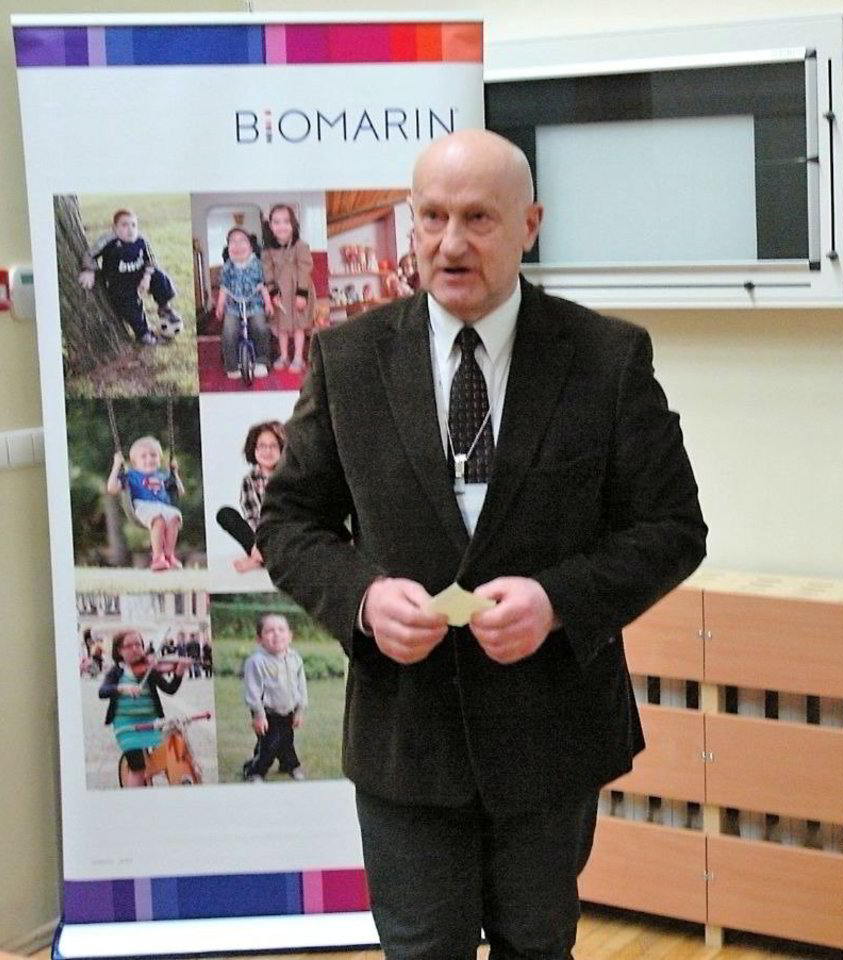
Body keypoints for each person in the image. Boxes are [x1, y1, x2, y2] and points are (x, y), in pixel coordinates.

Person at [257, 129, 706, 960]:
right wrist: (362, 598)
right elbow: (288, 522)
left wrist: (558, 601)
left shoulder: (607, 359)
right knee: (421, 948)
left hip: (549, 734)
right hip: (406, 737)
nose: (451, 242)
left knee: (537, 945)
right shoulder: (348, 360)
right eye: (432, 217)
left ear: (531, 224)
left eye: (478, 218)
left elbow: (673, 527)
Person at [78, 208, 184, 346]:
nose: (130, 229)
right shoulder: (108, 241)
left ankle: (164, 307)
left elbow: (150, 260)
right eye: (124, 225)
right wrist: (89, 270)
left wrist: (147, 277)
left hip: (139, 276)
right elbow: (89, 255)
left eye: (133, 225)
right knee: (132, 308)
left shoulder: (141, 240)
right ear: (115, 228)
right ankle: (143, 334)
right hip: (120, 284)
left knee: (159, 276)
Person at [98, 629, 185, 787]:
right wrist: (123, 688)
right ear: (119, 650)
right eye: (129, 646)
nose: (135, 649)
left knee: (170, 755)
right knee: (137, 767)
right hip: (126, 726)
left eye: (138, 645)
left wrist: (179, 673)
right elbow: (102, 691)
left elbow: (170, 689)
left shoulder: (149, 669)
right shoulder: (116, 672)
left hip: (152, 722)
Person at [240, 612, 308, 782]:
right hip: (267, 712)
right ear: (259, 639)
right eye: (269, 631)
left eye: (281, 630)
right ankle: (255, 771)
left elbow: (301, 686)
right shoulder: (256, 661)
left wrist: (300, 710)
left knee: (286, 740)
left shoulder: (295, 659)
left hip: (289, 709)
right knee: (270, 744)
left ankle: (287, 765)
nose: (276, 634)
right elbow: (253, 691)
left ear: (290, 636)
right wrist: (259, 715)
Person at [106, 435, 185, 571]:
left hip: (163, 506)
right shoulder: (131, 475)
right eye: (143, 456)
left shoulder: (164, 475)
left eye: (153, 455)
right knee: (159, 520)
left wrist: (175, 473)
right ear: (135, 462)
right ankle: (157, 558)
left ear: (159, 459)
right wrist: (116, 466)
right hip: (143, 506)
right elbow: (112, 488)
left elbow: (180, 491)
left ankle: (169, 555)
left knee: (175, 517)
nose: (149, 459)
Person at [216, 420, 286, 572]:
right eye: (262, 446)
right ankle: (261, 556)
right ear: (254, 449)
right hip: (260, 534)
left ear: (282, 449)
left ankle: (260, 559)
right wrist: (259, 544)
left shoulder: (290, 475)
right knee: (225, 514)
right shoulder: (249, 480)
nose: (267, 451)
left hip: (285, 533)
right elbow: (253, 517)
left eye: (273, 446)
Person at [261, 204, 315, 372]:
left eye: (286, 221)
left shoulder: (301, 246)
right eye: (276, 222)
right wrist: (273, 292)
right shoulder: (268, 250)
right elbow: (267, 272)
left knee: (299, 325)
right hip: (281, 293)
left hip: (298, 290)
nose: (282, 226)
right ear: (270, 226)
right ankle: (284, 356)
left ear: (293, 224)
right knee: (281, 325)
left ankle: (298, 357)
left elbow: (305, 269)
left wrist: (302, 294)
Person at [214, 227, 274, 379]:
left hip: (254, 304)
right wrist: (220, 305)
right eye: (233, 242)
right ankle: (232, 365)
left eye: (242, 241)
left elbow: (263, 286)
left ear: (251, 247)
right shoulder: (227, 267)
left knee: (260, 327)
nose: (238, 245)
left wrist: (268, 303)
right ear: (228, 248)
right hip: (233, 306)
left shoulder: (257, 265)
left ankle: (262, 361)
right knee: (229, 330)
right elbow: (224, 288)